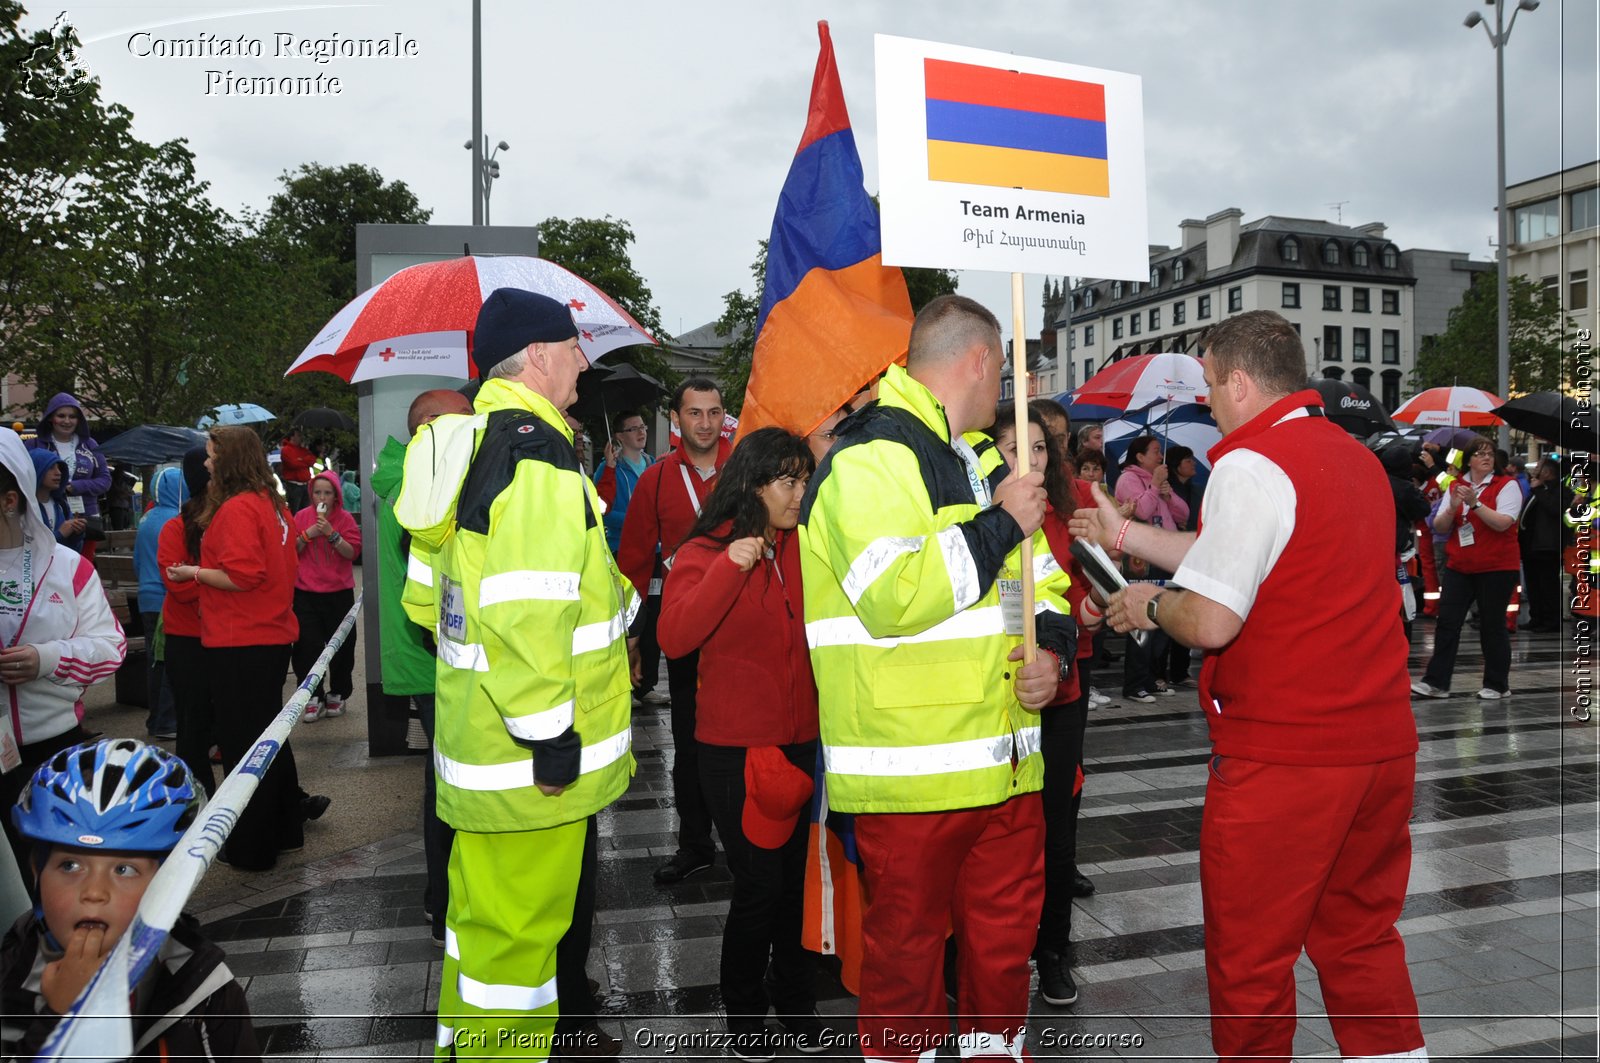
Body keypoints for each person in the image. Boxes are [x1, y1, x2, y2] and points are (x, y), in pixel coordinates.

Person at [1073, 309, 1424, 1063]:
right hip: (1381, 747)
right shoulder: (1352, 456)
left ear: (1239, 380)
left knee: (1251, 964)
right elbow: (1231, 552)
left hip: (1286, 757)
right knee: (1361, 939)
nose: (1207, 401)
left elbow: (1212, 617)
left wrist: (1147, 602)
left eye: (1208, 384)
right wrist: (1125, 537)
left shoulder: (1249, 462)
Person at [798, 294, 1075, 1063]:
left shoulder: (984, 459)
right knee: (906, 971)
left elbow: (1043, 584)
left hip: (1007, 765)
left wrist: (1052, 654)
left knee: (999, 963)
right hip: (913, 772)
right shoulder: (868, 457)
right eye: (1002, 372)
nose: (1003, 395)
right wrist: (998, 525)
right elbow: (895, 596)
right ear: (981, 361)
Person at [395, 289, 637, 1058]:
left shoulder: (466, 445)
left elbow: (431, 607)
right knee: (522, 965)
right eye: (573, 346)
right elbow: (529, 611)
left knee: (482, 946)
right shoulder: (535, 453)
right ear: (538, 355)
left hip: (479, 755)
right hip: (530, 768)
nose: (581, 361)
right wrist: (549, 732)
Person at [658, 428, 824, 1055]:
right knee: (760, 887)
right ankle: (746, 1013)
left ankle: (797, 1003)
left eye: (804, 479)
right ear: (755, 485)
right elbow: (675, 637)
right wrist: (730, 567)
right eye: (790, 480)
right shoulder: (705, 550)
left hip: (802, 744)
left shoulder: (807, 546)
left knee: (793, 884)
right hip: (734, 753)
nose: (801, 492)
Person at [1, 738, 260, 1059]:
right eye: (70, 865)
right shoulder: (14, 961)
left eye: (124, 869)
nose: (94, 892)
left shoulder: (203, 992)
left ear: (168, 881)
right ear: (37, 873)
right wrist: (60, 1019)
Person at [164, 426, 317, 871]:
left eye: (212, 456)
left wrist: (192, 571)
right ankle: (285, 830)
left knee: (243, 749)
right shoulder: (275, 506)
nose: (206, 463)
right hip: (268, 636)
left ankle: (252, 848)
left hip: (240, 640)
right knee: (269, 743)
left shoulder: (236, 510)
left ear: (228, 460)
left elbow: (242, 575)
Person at [992, 403, 1097, 1007]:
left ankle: (1052, 951)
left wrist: (1089, 613)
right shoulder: (974, 514)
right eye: (1011, 447)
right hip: (993, 696)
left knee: (1057, 830)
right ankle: (985, 954)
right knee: (998, 833)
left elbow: (1084, 595)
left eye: (1036, 448)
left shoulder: (1065, 515)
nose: (1025, 460)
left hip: (1058, 694)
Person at [617, 378, 731, 885]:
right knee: (688, 739)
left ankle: (750, 841)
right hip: (683, 625)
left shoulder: (746, 469)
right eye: (694, 414)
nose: (704, 423)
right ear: (676, 419)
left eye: (713, 413)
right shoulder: (657, 480)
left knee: (749, 738)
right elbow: (636, 565)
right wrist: (632, 637)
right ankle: (695, 843)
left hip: (743, 624)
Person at [0, 431, 125, 872]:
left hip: (51, 754)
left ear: (9, 499)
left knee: (54, 882)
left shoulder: (68, 567)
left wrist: (46, 658)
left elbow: (111, 648)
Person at [376, 388, 472, 945]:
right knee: (449, 786)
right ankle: (444, 901)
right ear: (429, 430)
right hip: (437, 662)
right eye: (465, 424)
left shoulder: (414, 477)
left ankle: (442, 897)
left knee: (444, 782)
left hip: (435, 660)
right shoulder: (419, 490)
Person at [1411, 436, 1524, 700]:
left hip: (1496, 566)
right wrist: (1451, 508)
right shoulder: (1457, 486)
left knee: (1492, 624)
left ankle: (1497, 684)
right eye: (1480, 453)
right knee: (1447, 622)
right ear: (1469, 459)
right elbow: (1439, 527)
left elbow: (1503, 523)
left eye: (1490, 453)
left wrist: (1475, 503)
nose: (1486, 457)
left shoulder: (1506, 485)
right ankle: (1436, 682)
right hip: (1460, 565)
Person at [158, 448, 216, 795]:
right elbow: (177, 587)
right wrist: (221, 581)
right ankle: (197, 804)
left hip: (224, 637)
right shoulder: (173, 527)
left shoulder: (230, 519)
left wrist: (201, 578)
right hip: (188, 641)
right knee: (193, 731)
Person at [595, 410, 662, 706]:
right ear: (618, 436)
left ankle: (646, 684)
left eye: (642, 427)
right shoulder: (610, 469)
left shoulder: (653, 465)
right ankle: (624, 682)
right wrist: (639, 518)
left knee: (654, 617)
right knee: (630, 617)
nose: (640, 432)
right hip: (624, 550)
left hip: (655, 551)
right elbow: (602, 509)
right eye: (632, 428)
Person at [291, 470, 361, 721]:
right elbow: (292, 552)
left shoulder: (345, 519)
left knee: (342, 646)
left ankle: (338, 694)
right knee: (306, 647)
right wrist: (307, 534)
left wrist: (332, 534)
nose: (322, 497)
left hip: (338, 593)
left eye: (327, 493)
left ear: (336, 496)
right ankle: (312, 695)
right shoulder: (301, 517)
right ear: (311, 494)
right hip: (306, 592)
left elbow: (351, 552)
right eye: (317, 492)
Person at [134, 465, 187, 740]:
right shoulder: (175, 520)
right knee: (167, 661)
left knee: (154, 663)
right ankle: (167, 720)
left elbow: (137, 561)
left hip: (146, 597)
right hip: (167, 598)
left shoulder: (147, 518)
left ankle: (156, 718)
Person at [28, 393, 109, 559]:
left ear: (79, 420)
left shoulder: (90, 445)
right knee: (47, 557)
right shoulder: (34, 444)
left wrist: (76, 486)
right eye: (61, 416)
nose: (67, 421)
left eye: (72, 416)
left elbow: (105, 480)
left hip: (85, 515)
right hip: (46, 511)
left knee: (81, 564)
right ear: (51, 418)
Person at [1518, 457, 1567, 632]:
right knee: (1533, 585)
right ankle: (1536, 617)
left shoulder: (1559, 490)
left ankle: (1551, 620)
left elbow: (1554, 509)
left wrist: (1538, 489)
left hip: (1548, 546)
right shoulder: (1537, 490)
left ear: (1547, 472)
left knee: (1548, 585)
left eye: (1538, 467)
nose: (1534, 469)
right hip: (1531, 546)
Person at [28, 450, 84, 552]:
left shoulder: (62, 506)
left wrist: (77, 534)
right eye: (51, 468)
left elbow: (74, 550)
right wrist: (60, 534)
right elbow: (28, 548)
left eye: (59, 468)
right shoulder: (25, 508)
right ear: (36, 470)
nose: (58, 473)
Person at [277, 428, 317, 513]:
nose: (301, 437)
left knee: (305, 512)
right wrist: (304, 461)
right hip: (293, 486)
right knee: (294, 512)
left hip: (305, 485)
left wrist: (300, 460)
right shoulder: (286, 450)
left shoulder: (303, 450)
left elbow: (312, 460)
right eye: (298, 435)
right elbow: (292, 464)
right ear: (292, 437)